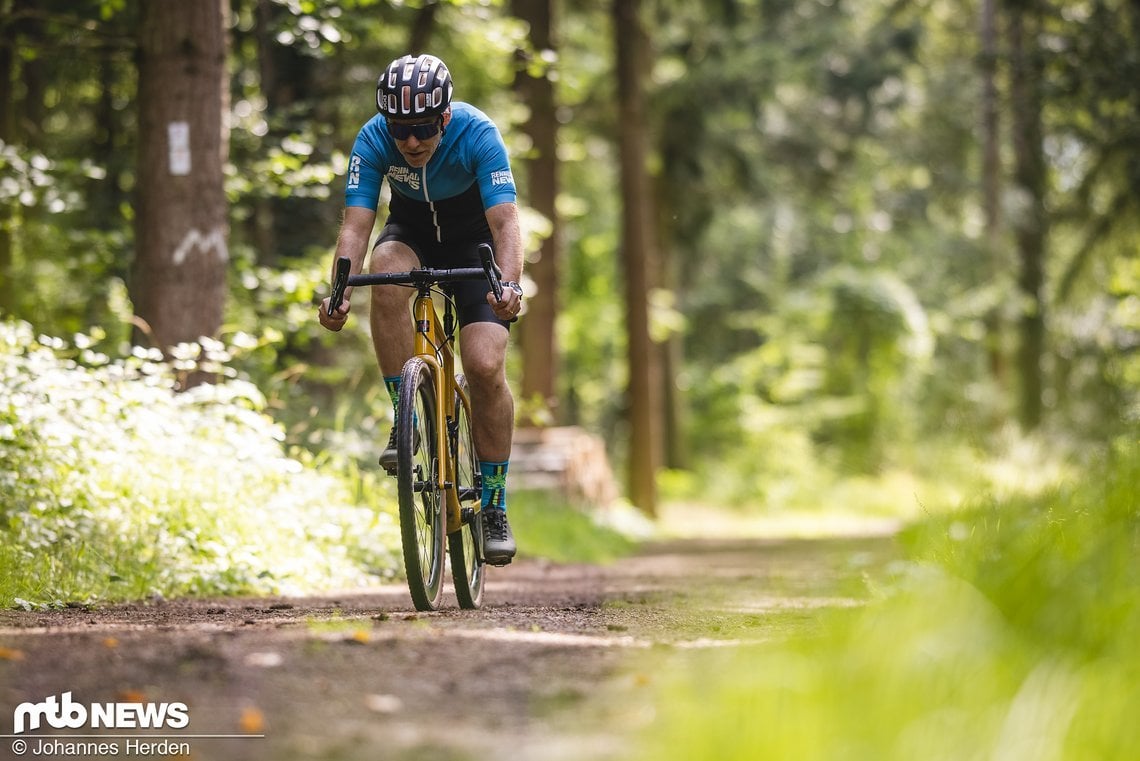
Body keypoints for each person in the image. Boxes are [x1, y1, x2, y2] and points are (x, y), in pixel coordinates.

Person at [318, 53, 523, 566]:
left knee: (484, 364)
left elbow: (506, 224)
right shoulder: (372, 139)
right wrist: (339, 288)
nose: (411, 141)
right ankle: (406, 414)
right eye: (401, 129)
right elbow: (356, 227)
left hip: (475, 248)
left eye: (424, 127)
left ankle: (494, 500)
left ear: (445, 116)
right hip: (411, 237)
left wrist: (510, 287)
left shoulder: (479, 133)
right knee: (384, 269)